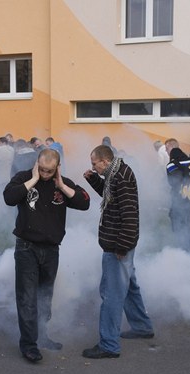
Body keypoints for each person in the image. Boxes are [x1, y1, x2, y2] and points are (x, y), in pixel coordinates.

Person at [3, 149, 90, 363]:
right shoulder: (24, 177)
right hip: (26, 247)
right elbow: (8, 197)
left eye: (49, 171)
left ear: (57, 168)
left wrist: (61, 186)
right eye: (41, 169)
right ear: (36, 164)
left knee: (44, 296)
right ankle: (29, 345)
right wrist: (33, 180)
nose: (44, 174)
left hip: (51, 249)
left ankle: (42, 336)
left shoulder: (62, 182)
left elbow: (84, 202)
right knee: (27, 297)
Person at [82, 145, 154, 359]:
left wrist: (122, 246)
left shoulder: (121, 176)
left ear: (105, 161)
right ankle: (142, 326)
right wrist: (93, 180)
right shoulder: (116, 172)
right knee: (129, 286)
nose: (93, 167)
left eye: (94, 164)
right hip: (119, 243)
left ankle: (109, 345)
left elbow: (129, 215)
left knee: (111, 294)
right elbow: (110, 197)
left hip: (117, 246)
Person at [165, 139, 190, 252]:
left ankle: (187, 247)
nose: (166, 151)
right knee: (187, 221)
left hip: (181, 198)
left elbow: (173, 183)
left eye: (166, 149)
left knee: (178, 221)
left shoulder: (172, 164)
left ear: (171, 147)